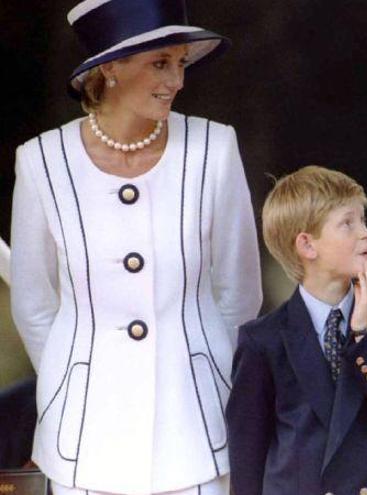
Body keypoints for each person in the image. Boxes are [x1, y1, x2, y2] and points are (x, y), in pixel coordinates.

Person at [9, 0, 262, 493]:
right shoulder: (42, 162)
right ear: (110, 66)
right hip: (84, 440)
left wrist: (202, 373)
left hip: (195, 436)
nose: (178, 81)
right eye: (160, 63)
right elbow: (35, 306)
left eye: (181, 63)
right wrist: (78, 380)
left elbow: (239, 294)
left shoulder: (214, 149)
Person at [226, 165, 367, 495]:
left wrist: (365, 335)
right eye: (348, 224)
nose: (366, 233)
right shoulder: (263, 340)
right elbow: (247, 458)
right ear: (307, 246)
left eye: (363, 220)